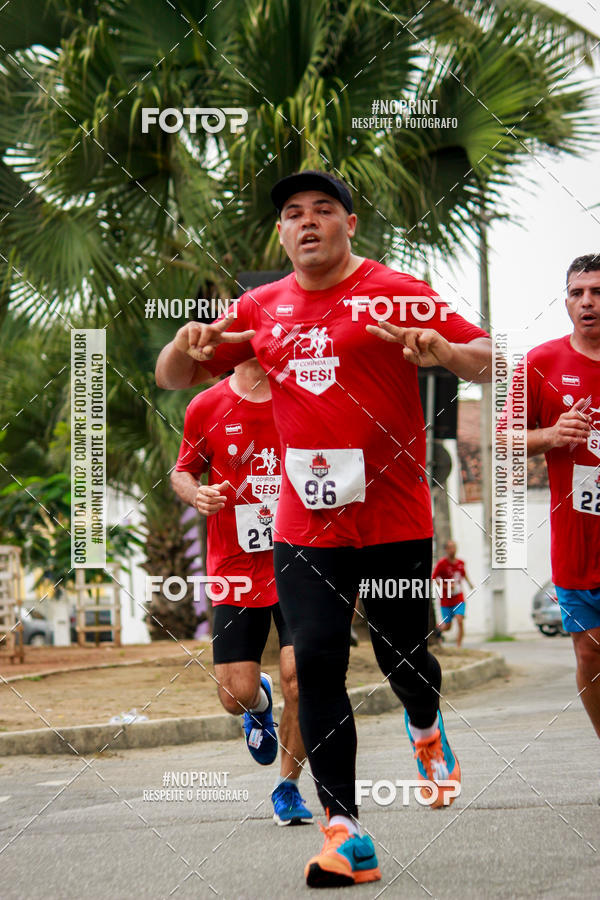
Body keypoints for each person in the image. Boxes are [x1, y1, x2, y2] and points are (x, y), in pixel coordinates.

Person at [157, 170, 493, 887]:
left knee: (405, 655)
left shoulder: (396, 289)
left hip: (394, 516)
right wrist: (186, 343)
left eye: (322, 210)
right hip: (305, 527)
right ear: (280, 233)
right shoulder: (262, 306)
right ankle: (345, 830)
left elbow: (494, 362)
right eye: (292, 214)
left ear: (349, 222)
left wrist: (443, 351)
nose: (306, 222)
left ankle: (426, 726)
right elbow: (172, 379)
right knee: (315, 666)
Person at [170, 356, 313, 826]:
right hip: (235, 566)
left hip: (300, 557)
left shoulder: (305, 396)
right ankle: (258, 704)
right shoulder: (207, 405)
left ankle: (288, 787)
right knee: (234, 695)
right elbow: (183, 470)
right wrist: (197, 494)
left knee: (301, 677)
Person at [519, 254, 600, 750]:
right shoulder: (542, 362)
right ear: (566, 301)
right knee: (590, 654)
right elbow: (503, 440)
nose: (588, 301)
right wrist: (550, 434)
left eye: (597, 291)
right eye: (578, 292)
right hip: (575, 542)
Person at [433, 540, 474, 648]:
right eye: (450, 547)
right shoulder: (442, 564)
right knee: (448, 626)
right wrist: (447, 586)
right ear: (446, 550)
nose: (453, 550)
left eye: (454, 547)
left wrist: (470, 584)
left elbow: (464, 574)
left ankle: (459, 646)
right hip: (446, 600)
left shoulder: (461, 563)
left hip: (458, 598)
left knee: (460, 620)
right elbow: (433, 578)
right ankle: (437, 630)